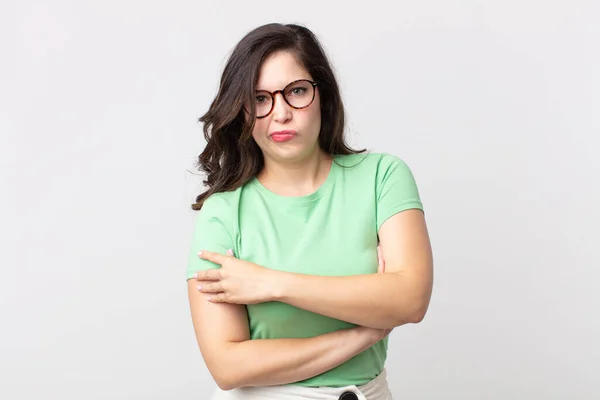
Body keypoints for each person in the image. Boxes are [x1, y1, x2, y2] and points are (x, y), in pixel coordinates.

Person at [186, 23, 434, 400]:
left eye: (296, 91)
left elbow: (411, 299)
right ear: (242, 111)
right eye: (260, 99)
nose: (281, 114)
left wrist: (272, 284)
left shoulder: (383, 177)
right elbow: (228, 366)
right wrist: (363, 334)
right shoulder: (223, 212)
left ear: (323, 95)